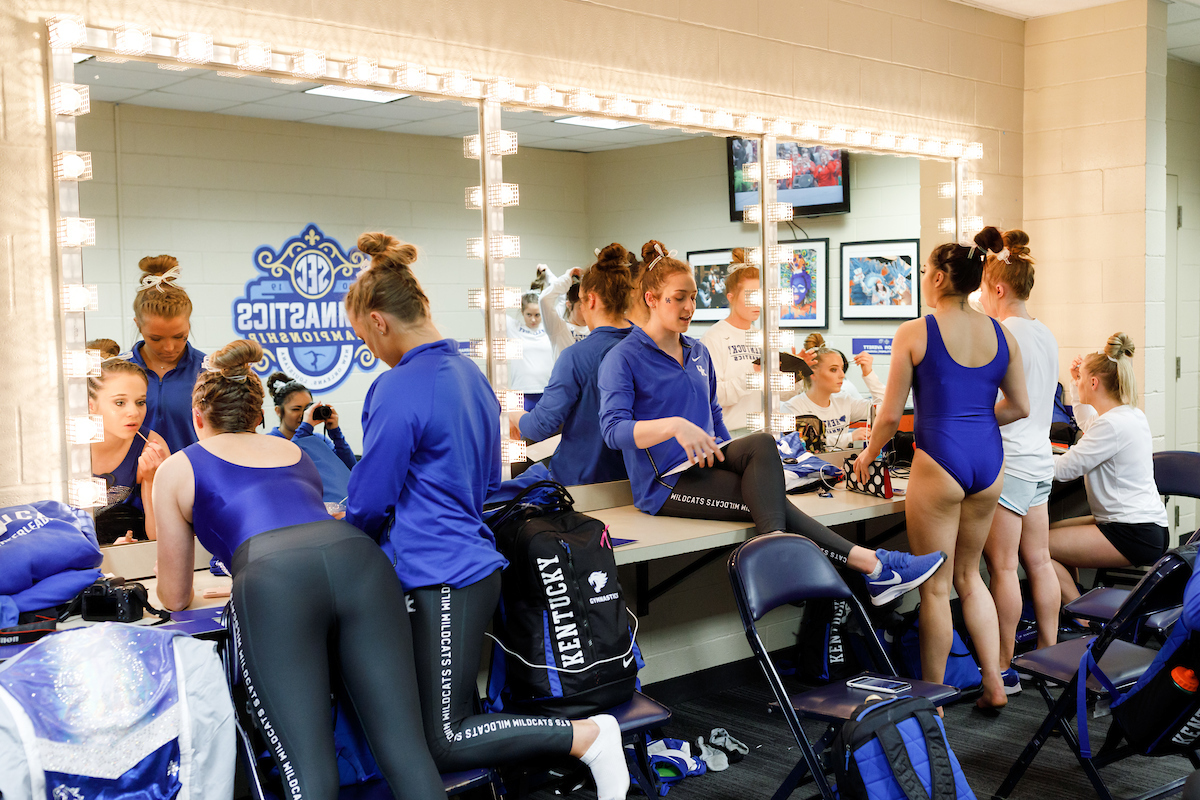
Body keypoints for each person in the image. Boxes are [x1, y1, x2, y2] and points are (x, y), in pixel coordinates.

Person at [342, 232, 628, 800]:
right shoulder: (471, 375)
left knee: (444, 737)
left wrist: (347, 540)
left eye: (364, 338)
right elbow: (480, 480)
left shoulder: (398, 388)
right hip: (466, 563)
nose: (370, 350)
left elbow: (370, 501)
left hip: (441, 573)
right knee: (444, 719)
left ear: (378, 321)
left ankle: (588, 737)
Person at [151, 339, 445, 800]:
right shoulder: (294, 453)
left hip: (276, 582)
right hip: (360, 561)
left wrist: (245, 580)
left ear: (198, 416)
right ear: (257, 416)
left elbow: (172, 596)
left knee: (310, 775)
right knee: (407, 754)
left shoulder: (177, 467)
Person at [599, 240, 946, 607]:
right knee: (769, 503)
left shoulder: (696, 350)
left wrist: (730, 455)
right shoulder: (624, 357)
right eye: (678, 298)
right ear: (652, 299)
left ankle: (809, 563)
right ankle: (873, 565)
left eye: (693, 297)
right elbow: (613, 431)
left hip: (706, 465)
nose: (689, 307)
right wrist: (674, 427)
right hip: (665, 482)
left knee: (762, 442)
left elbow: (713, 411)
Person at [855, 226, 1030, 711]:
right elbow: (1020, 406)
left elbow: (889, 416)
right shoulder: (1002, 333)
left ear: (937, 277)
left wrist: (867, 456)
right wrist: (976, 423)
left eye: (924, 271)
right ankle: (995, 683)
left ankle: (929, 701)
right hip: (988, 461)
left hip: (939, 459)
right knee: (970, 577)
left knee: (934, 586)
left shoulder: (915, 331)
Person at [977, 231, 1060, 695]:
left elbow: (1010, 405)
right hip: (1040, 461)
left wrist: (969, 417)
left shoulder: (1003, 334)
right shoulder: (1045, 332)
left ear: (999, 288)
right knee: (1040, 561)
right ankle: (1049, 655)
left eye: (985, 290)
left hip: (1011, 464)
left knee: (1005, 568)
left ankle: (1004, 666)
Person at [1050, 334, 1169, 607]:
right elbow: (1089, 425)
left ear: (1094, 383)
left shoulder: (1111, 425)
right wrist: (1075, 382)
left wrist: (1026, 459)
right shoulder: (1129, 414)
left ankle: (1081, 617)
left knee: (1035, 547)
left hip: (1132, 532)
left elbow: (1065, 469)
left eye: (1081, 379)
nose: (1078, 382)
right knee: (1049, 533)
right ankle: (1078, 602)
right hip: (1147, 527)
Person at [510, 245, 634, 486]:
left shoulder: (576, 356)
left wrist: (511, 411)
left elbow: (540, 427)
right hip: (634, 479)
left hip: (583, 483)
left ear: (591, 300)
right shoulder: (648, 346)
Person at [87, 340, 169, 544]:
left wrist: (151, 479)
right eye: (120, 403)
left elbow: (161, 537)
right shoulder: (67, 443)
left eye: (140, 402)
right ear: (90, 406)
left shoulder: (150, 445)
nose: (133, 412)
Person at [123, 255, 206, 454]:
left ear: (189, 324)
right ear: (138, 325)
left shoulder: (207, 371)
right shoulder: (119, 372)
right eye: (156, 338)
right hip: (133, 473)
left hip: (193, 472)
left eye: (179, 336)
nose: (169, 347)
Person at [265, 372, 356, 504]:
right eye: (296, 409)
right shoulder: (269, 442)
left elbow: (350, 468)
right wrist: (305, 427)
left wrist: (335, 433)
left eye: (307, 408)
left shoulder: (318, 440)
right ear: (278, 411)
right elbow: (289, 459)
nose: (303, 414)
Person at [782, 335, 886, 449]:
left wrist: (868, 374)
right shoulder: (793, 407)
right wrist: (849, 437)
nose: (842, 375)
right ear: (813, 373)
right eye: (833, 369)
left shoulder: (845, 400)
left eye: (842, 368)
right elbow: (802, 446)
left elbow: (886, 407)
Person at [508, 290, 555, 411]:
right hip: (522, 391)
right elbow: (487, 310)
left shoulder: (551, 328)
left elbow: (561, 301)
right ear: (522, 312)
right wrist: (521, 296)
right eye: (529, 314)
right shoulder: (514, 328)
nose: (533, 319)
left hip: (547, 390)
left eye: (537, 315)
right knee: (521, 423)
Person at [538, 264, 589, 358]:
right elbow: (544, 299)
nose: (586, 314)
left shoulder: (595, 330)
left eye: (589, 308)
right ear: (569, 305)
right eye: (581, 308)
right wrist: (566, 279)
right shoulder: (558, 328)